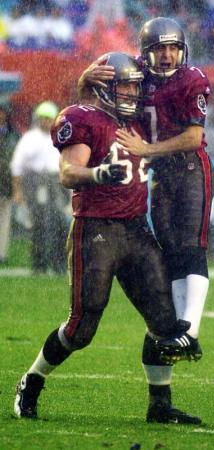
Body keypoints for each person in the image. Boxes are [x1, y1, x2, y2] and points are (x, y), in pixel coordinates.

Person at [14, 52, 202, 425]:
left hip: (136, 230)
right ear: (103, 89)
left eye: (135, 85)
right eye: (125, 86)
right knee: (81, 328)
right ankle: (32, 380)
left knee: (165, 321)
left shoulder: (143, 124)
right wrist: (99, 174)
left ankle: (160, 404)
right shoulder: (83, 118)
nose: (133, 93)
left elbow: (188, 146)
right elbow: (68, 172)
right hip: (96, 229)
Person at [80, 17, 214, 362]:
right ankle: (179, 333)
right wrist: (84, 78)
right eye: (161, 49)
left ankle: (191, 330)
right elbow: (96, 101)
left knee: (191, 249)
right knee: (172, 254)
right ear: (147, 52)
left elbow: (192, 139)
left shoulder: (192, 80)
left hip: (188, 167)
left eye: (174, 48)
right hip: (162, 175)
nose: (169, 55)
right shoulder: (135, 75)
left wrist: (148, 152)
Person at [10, 101, 70, 274]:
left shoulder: (61, 137)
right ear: (38, 119)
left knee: (61, 224)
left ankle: (59, 265)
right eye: (43, 118)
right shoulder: (30, 138)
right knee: (41, 225)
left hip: (58, 184)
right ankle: (40, 265)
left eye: (49, 118)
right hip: (36, 185)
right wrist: (18, 191)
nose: (45, 121)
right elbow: (17, 166)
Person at [0, 101, 20, 264]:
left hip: (5, 184)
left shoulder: (14, 135)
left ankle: (2, 253)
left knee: (5, 221)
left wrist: (16, 189)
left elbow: (17, 162)